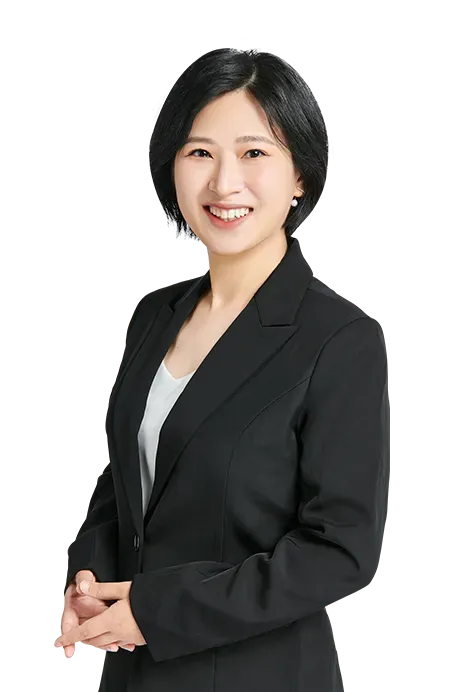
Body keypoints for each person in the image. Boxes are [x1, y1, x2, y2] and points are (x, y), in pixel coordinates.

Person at [57, 48, 389, 691]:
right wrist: (89, 578)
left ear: (300, 174)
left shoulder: (340, 338)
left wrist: (158, 613)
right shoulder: (154, 314)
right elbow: (128, 472)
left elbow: (341, 549)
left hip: (258, 674)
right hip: (131, 671)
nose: (223, 183)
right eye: (200, 152)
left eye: (254, 152)